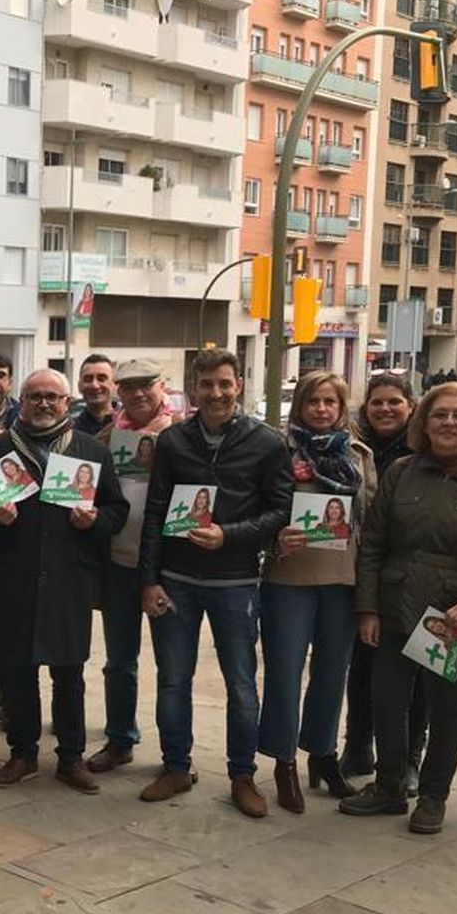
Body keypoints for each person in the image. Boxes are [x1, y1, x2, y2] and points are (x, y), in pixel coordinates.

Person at [341, 382, 457, 834]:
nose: (448, 423)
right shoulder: (402, 472)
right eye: (438, 415)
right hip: (395, 607)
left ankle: (432, 796)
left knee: (446, 707)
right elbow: (373, 545)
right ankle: (389, 787)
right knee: (386, 700)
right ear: (423, 423)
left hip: (449, 617)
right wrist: (367, 609)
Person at [0, 370, 128, 792]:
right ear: (23, 399)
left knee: (69, 672)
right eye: (35, 396)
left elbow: (116, 510)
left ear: (67, 401)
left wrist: (95, 521)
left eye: (52, 397)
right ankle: (23, 753)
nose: (44, 403)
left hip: (69, 579)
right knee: (17, 670)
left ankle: (71, 757)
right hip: (12, 578)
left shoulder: (90, 452)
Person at [138, 350, 291, 818]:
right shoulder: (173, 441)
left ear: (238, 385)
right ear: (193, 388)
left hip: (236, 580)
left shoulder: (267, 442)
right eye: (207, 384)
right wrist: (149, 580)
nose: (216, 393)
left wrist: (230, 535)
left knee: (242, 684)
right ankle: (176, 766)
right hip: (176, 581)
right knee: (172, 680)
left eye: (224, 383)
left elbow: (280, 510)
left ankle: (242, 775)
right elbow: (156, 511)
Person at [257, 371, 374, 813]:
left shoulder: (359, 456)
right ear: (299, 407)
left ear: (342, 408)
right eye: (313, 402)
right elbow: (259, 511)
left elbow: (373, 519)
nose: (321, 410)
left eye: (330, 402)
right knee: (285, 674)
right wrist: (274, 539)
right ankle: (283, 761)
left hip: (343, 580)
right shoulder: (279, 454)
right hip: (289, 579)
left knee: (332, 675)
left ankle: (323, 755)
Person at [87, 359, 175, 774]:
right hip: (118, 563)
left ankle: (176, 754)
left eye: (147, 385)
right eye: (129, 387)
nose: (139, 394)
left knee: (173, 664)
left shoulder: (182, 435)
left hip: (168, 568)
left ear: (163, 387)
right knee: (119, 660)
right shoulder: (107, 437)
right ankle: (120, 739)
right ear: (118, 393)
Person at [341, 373, 427, 784]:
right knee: (362, 668)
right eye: (377, 402)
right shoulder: (350, 448)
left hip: (418, 576)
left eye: (395, 402)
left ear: (411, 406)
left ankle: (411, 757)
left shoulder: (425, 449)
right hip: (365, 571)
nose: (386, 409)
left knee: (418, 673)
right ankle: (358, 745)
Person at [72, 353, 117, 433]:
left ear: (114, 385)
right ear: (79, 386)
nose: (95, 385)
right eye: (88, 379)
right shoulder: (70, 431)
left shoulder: (130, 427)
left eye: (101, 379)